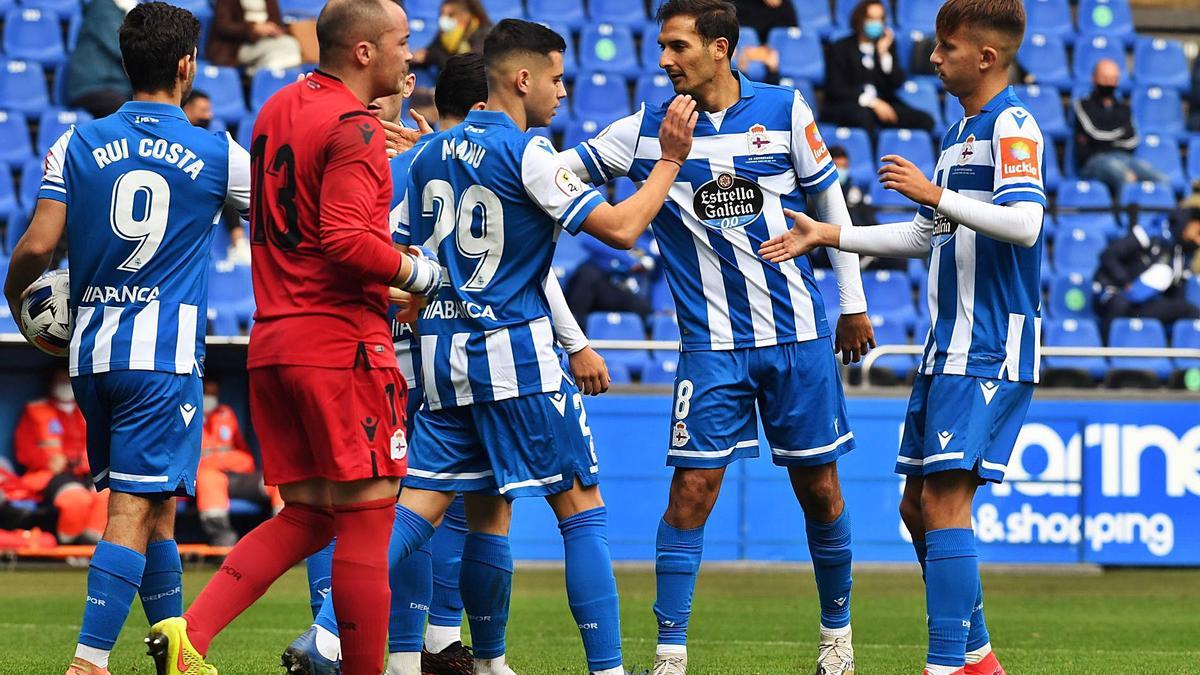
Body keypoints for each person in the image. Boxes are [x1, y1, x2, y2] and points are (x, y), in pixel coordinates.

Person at [562, 1, 876, 673]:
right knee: (691, 493)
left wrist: (852, 302)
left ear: (720, 48)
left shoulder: (785, 110)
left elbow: (831, 204)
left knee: (820, 489)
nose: (664, 59)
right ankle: (670, 655)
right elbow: (554, 176)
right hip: (710, 349)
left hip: (797, 335)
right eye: (662, 46)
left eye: (677, 46)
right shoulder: (645, 130)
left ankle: (837, 638)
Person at [383, 18, 696, 675]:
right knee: (581, 509)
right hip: (516, 360)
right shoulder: (529, 154)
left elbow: (396, 253)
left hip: (442, 362)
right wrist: (669, 160)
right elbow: (622, 228)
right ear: (521, 78)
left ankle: (337, 639)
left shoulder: (429, 155)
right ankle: (608, 671)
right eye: (556, 77)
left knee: (429, 510)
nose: (563, 90)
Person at [288, 51, 614, 675]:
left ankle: (400, 647)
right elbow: (536, 277)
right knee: (524, 508)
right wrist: (574, 344)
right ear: (507, 91)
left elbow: (366, 246)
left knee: (421, 504)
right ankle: (457, 652)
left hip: (414, 354)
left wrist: (402, 287)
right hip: (495, 354)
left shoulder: (411, 161)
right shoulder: (515, 156)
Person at [144, 0, 443, 672]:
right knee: (368, 521)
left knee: (310, 515)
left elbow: (312, 224)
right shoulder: (354, 128)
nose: (410, 54)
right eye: (402, 41)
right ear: (364, 51)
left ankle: (188, 634)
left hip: (276, 339)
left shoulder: (277, 108)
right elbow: (345, 239)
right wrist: (423, 274)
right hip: (341, 347)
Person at [760, 1, 1042, 673]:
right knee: (917, 505)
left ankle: (946, 663)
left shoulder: (1014, 124)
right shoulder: (958, 132)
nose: (933, 58)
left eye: (947, 48)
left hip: (989, 344)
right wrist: (829, 234)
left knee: (945, 500)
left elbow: (1026, 223)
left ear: (986, 57)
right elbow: (925, 236)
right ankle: (975, 658)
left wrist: (935, 194)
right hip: (947, 345)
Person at [2, 4, 252, 674]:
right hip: (162, 360)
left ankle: (175, 647)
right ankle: (89, 663)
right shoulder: (217, 153)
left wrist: (15, 297)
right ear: (186, 66)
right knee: (133, 508)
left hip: (90, 357)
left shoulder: (75, 143)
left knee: (157, 509)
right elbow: (287, 223)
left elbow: (37, 246)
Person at [14, 369, 108, 545]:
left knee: (106, 496)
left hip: (88, 473)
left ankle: (92, 550)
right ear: (50, 383)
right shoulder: (35, 410)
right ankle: (68, 551)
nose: (65, 385)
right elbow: (24, 451)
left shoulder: (89, 409)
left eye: (68, 380)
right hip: (51, 475)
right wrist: (47, 461)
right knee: (76, 500)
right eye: (60, 381)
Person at [823, 0, 934, 135]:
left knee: (924, 120)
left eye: (880, 19)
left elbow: (895, 83)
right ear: (860, 20)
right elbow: (836, 89)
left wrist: (884, 54)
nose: (876, 23)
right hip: (847, 105)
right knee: (865, 116)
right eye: (871, 18)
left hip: (882, 104)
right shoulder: (840, 47)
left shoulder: (886, 46)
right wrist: (872, 102)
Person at [194, 379, 282, 546]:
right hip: (210, 480)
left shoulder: (226, 414)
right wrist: (219, 461)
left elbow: (246, 459)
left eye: (213, 394)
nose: (209, 398)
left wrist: (220, 460)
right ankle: (224, 544)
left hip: (239, 478)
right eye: (206, 393)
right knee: (208, 477)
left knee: (280, 481)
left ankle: (286, 539)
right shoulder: (188, 416)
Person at [1074, 58, 1167, 200]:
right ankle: (1126, 220)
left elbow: (1133, 140)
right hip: (1093, 159)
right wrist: (1119, 134)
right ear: (1094, 79)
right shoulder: (1083, 105)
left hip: (1123, 158)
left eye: (1113, 79)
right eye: (1105, 78)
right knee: (1125, 177)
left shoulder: (1123, 108)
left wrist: (1107, 138)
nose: (1109, 83)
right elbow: (1094, 133)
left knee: (1162, 180)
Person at [1094, 213, 1200, 336]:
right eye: (1198, 232)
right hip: (1114, 293)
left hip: (1142, 304)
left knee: (1189, 311)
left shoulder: (1182, 259)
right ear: (1189, 222)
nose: (1198, 240)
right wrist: (1125, 281)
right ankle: (1107, 350)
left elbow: (1177, 298)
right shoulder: (1152, 233)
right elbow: (1108, 255)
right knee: (1119, 304)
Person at [564, 232, 659, 324]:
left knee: (643, 307)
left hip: (624, 288)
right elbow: (588, 240)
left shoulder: (652, 240)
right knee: (588, 275)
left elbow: (653, 267)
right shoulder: (613, 227)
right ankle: (575, 329)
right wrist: (630, 261)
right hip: (598, 284)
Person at [66, 0, 135, 118]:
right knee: (128, 115)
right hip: (93, 86)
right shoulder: (103, 8)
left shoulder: (120, 11)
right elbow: (122, 47)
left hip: (116, 87)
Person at [207, 0, 302, 71]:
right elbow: (224, 27)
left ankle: (260, 75)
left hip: (266, 40)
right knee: (281, 50)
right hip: (236, 46)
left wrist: (273, 29)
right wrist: (254, 28)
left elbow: (276, 20)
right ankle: (260, 78)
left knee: (290, 44)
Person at [413, 0, 491, 71]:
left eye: (450, 15)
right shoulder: (444, 35)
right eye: (442, 14)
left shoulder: (484, 35)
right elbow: (425, 54)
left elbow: (469, 69)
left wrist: (434, 56)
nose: (443, 19)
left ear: (464, 17)